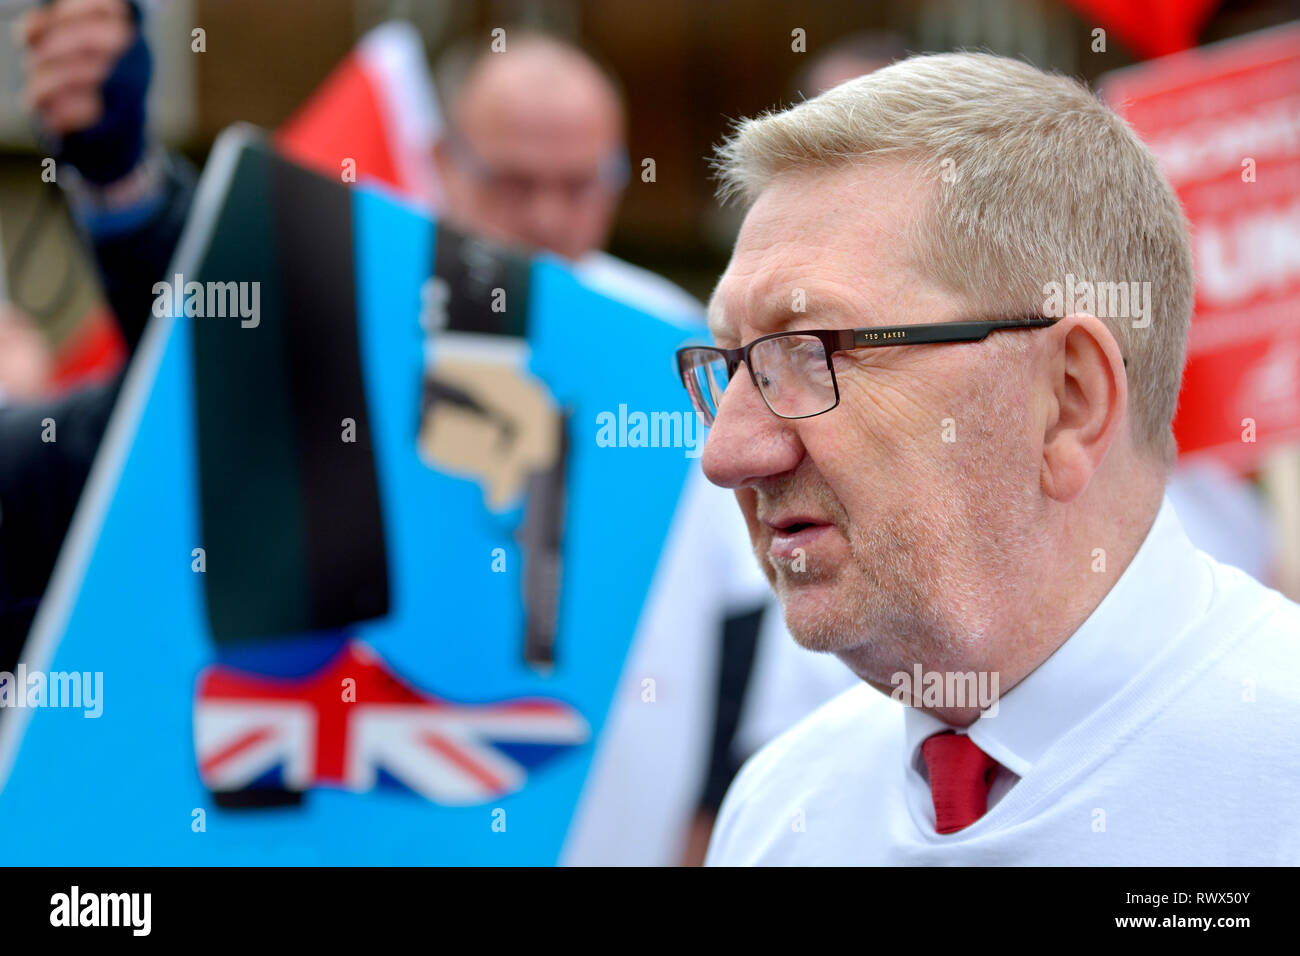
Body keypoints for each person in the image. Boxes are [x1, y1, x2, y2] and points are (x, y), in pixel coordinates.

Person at [681, 51, 1300, 865]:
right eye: (733, 364)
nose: (727, 454)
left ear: (1069, 400)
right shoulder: (781, 808)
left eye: (818, 352)